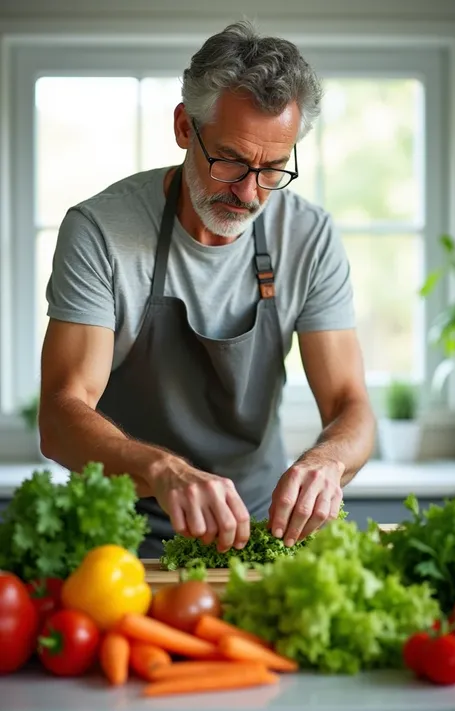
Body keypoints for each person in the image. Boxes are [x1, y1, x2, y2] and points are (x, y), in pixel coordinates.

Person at [39, 19, 376, 558]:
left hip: (263, 531)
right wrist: (163, 469)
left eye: (272, 170)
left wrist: (327, 461)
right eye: (230, 161)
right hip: (120, 540)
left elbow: (349, 403)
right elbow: (60, 415)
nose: (248, 193)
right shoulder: (100, 231)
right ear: (183, 127)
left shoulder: (308, 237)